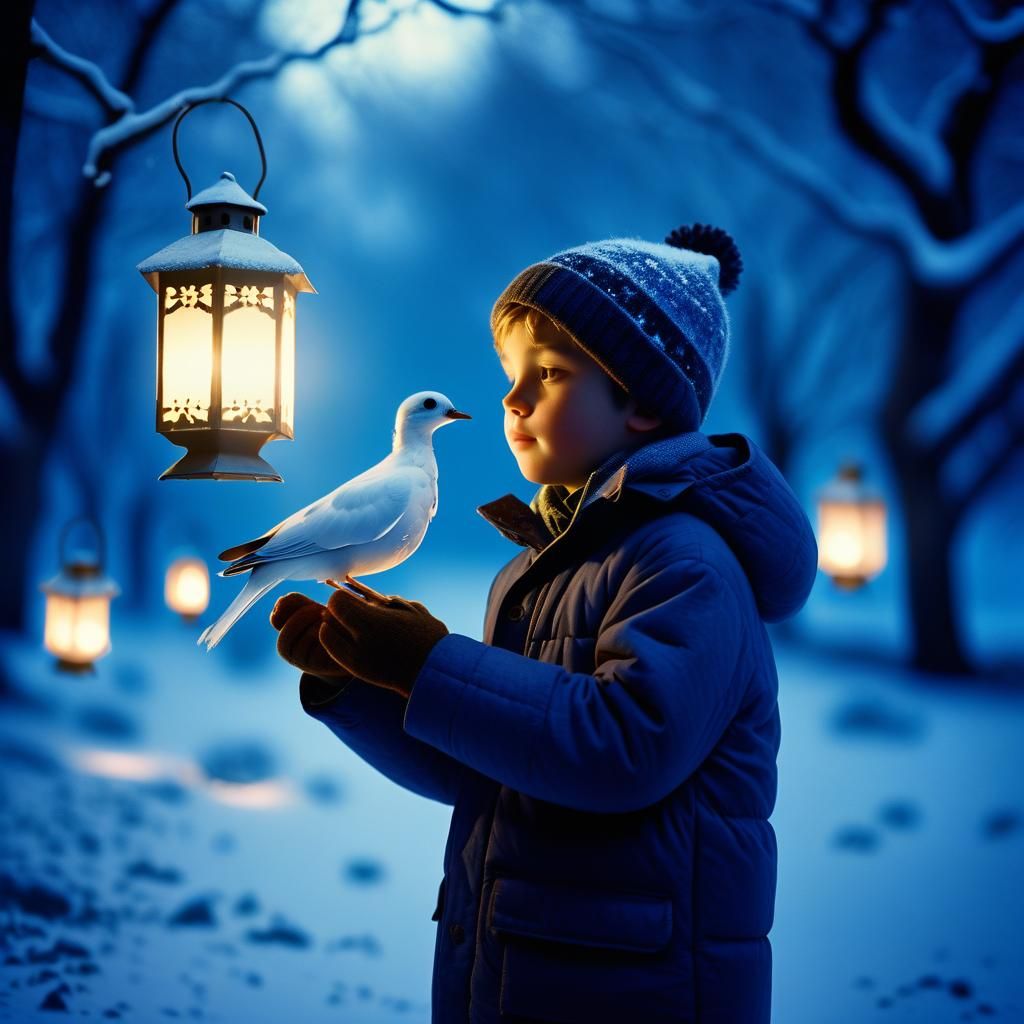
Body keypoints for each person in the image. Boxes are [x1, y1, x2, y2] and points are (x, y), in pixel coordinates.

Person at [270, 223, 819, 1024]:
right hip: (523, 972)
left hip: (635, 991)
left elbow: (625, 745)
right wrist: (358, 679)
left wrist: (431, 666)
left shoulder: (686, 564)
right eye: (509, 374)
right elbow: (496, 769)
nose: (512, 398)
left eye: (550, 373)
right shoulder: (532, 573)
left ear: (638, 402)